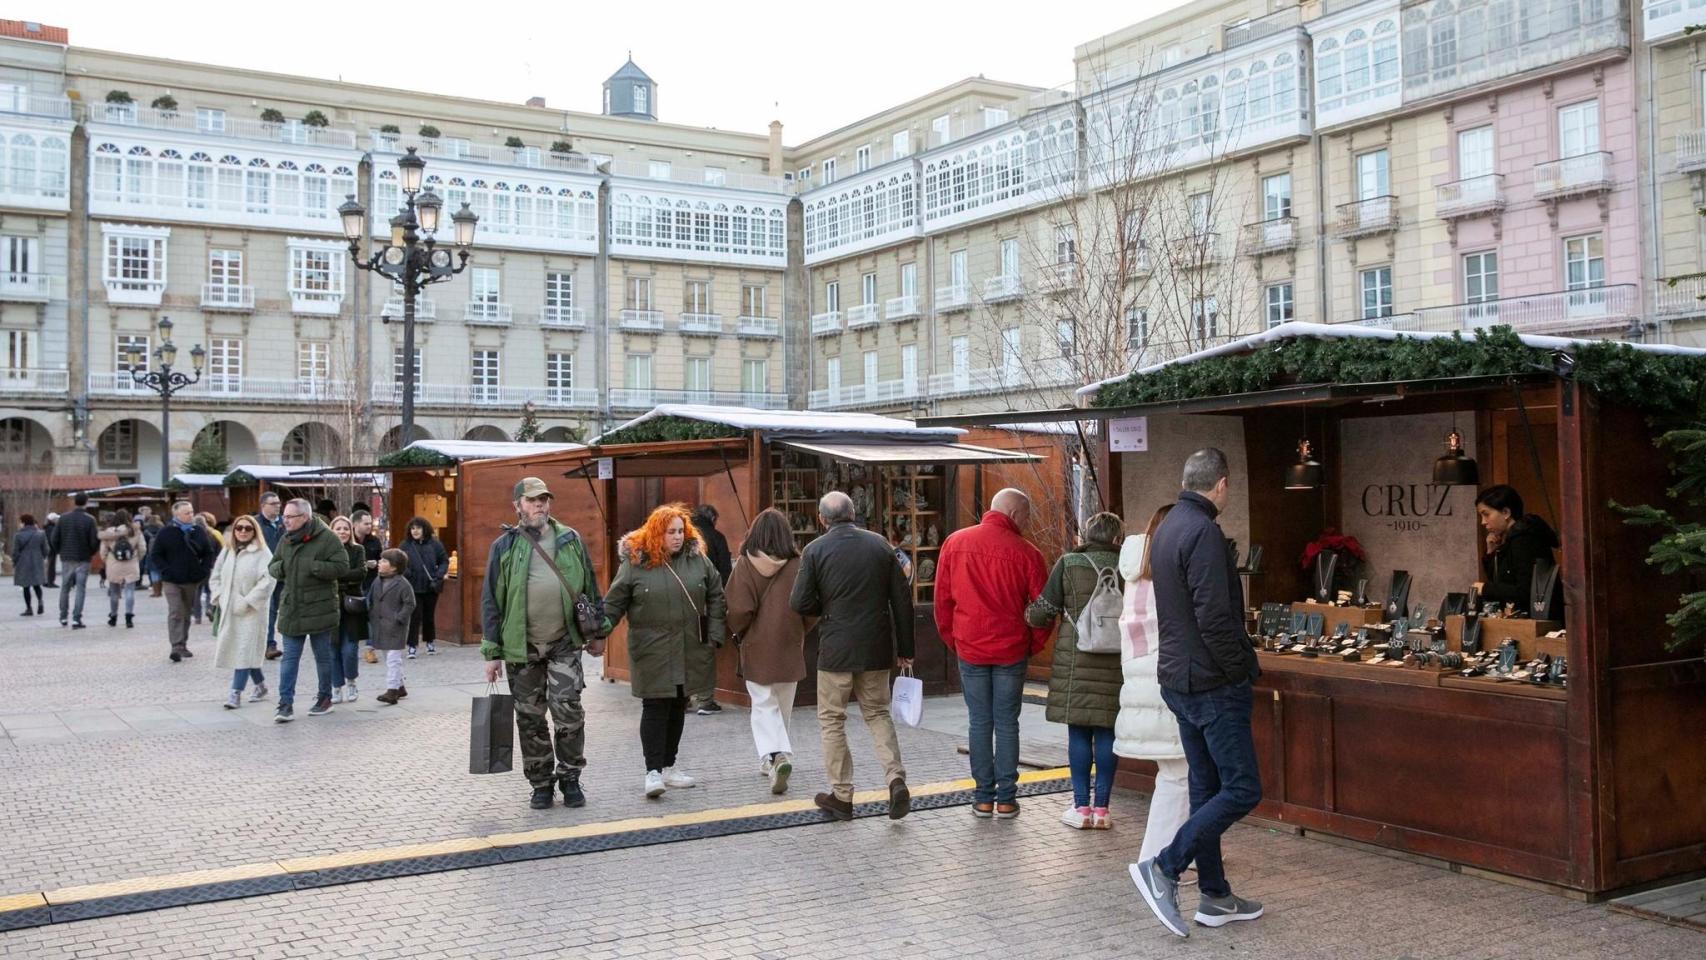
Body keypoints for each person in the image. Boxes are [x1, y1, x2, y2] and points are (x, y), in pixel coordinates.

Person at [1131, 448, 1264, 939]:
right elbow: (1214, 617)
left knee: (1206, 789)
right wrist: (1240, 670)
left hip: (1180, 680)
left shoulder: (1167, 527)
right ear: (1222, 484)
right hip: (1212, 683)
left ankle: (1215, 896)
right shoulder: (1204, 532)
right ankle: (1164, 867)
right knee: (1243, 788)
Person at [789, 490, 914, 822]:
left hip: (835, 649)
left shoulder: (815, 550)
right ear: (854, 513)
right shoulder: (880, 546)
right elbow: (902, 601)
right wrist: (906, 650)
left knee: (832, 720)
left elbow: (799, 602)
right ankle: (895, 779)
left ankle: (842, 795)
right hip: (875, 647)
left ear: (821, 519)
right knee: (877, 714)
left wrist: (828, 610)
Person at [480, 478, 604, 810]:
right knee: (530, 719)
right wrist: (491, 653)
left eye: (544, 500)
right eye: (533, 500)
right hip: (521, 647)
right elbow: (491, 601)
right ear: (517, 505)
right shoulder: (504, 546)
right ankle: (541, 783)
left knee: (569, 712)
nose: (540, 505)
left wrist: (597, 635)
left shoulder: (570, 539)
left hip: (564, 642)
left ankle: (571, 778)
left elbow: (590, 588)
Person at [934, 488, 1049, 819]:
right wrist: (1032, 645)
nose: (1028, 523)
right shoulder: (1027, 553)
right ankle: (1006, 799)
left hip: (970, 646)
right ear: (1014, 515)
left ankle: (983, 797)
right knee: (1007, 722)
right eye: (1027, 516)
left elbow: (943, 602)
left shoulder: (954, 544)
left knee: (979, 721)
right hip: (1011, 648)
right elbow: (1042, 610)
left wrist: (955, 640)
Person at [602, 503, 726, 800]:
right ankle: (653, 771)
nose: (677, 537)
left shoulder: (698, 560)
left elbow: (716, 594)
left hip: (689, 646)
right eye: (670, 532)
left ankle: (669, 766)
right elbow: (614, 602)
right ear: (657, 533)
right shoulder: (635, 563)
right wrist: (597, 634)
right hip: (652, 648)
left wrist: (716, 634)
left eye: (681, 531)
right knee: (655, 707)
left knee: (678, 705)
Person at [1026, 510, 1126, 830]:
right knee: (1109, 732)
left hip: (1076, 661)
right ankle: (1103, 810)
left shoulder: (1069, 563)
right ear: (1116, 539)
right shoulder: (1128, 567)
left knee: (1079, 731)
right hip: (1118, 662)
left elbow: (1043, 611)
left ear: (1087, 535)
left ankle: (1081, 808)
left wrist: (1029, 616)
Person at [1114, 504, 1191, 879]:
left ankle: (1173, 856)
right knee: (1180, 777)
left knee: (1175, 776)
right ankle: (1159, 862)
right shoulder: (1169, 575)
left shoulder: (1135, 575)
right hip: (1167, 688)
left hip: (1139, 691)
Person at [724, 508, 815, 795]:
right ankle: (779, 756)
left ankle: (774, 757)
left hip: (756, 645)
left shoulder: (744, 565)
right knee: (782, 706)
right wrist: (799, 631)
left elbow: (738, 609)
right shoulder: (798, 564)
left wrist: (739, 632)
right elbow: (813, 606)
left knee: (763, 705)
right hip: (790, 643)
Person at [267, 498, 349, 722]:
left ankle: (325, 698)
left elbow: (342, 566)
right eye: (283, 516)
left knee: (322, 656)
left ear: (304, 517)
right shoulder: (285, 539)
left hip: (319, 608)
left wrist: (315, 567)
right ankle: (285, 704)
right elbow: (272, 565)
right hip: (292, 607)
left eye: (289, 517)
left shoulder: (328, 538)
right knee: (289, 658)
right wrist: (282, 568)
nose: (284, 521)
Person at [209, 514, 275, 708]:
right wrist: (220, 596)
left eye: (248, 528)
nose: (243, 531)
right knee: (243, 650)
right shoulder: (228, 551)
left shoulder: (263, 553)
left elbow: (268, 580)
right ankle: (261, 685)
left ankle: (235, 693)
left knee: (245, 649)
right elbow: (216, 575)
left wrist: (249, 601)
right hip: (229, 608)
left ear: (255, 531)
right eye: (239, 528)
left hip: (252, 612)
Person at [1475, 485, 1564, 617]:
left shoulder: (1524, 540)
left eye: (1486, 514)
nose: (1483, 522)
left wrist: (1485, 589)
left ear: (1506, 512)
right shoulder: (1509, 539)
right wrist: (1491, 552)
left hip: (1535, 620)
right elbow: (1500, 580)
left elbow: (1525, 591)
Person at [149, 500, 216, 662]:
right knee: (176, 610)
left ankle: (183, 643)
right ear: (177, 515)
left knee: (186, 612)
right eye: (187, 513)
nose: (191, 515)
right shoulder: (166, 532)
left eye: (192, 512)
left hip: (192, 579)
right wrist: (166, 570)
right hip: (171, 580)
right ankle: (176, 645)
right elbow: (156, 554)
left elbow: (208, 552)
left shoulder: (198, 531)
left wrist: (203, 570)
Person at [687, 504, 732, 715]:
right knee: (704, 651)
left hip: (685, 603)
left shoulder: (684, 538)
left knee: (683, 650)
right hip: (706, 604)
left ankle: (683, 698)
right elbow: (725, 571)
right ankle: (704, 700)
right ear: (713, 518)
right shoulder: (716, 537)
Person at [328, 516, 369, 703]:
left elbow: (361, 573)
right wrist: (344, 576)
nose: (343, 532)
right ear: (332, 530)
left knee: (350, 649)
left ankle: (351, 681)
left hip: (352, 606)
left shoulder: (358, 550)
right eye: (338, 528)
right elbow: (324, 574)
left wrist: (338, 575)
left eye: (345, 528)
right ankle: (336, 687)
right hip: (330, 605)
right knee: (332, 649)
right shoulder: (325, 551)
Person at [371, 549, 417, 705]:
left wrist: (400, 617)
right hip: (381, 626)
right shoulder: (377, 580)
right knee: (388, 657)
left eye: (384, 561)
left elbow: (410, 603)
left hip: (396, 627)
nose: (379, 563)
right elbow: (372, 598)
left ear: (394, 567)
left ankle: (392, 691)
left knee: (393, 659)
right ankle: (400, 687)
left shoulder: (402, 583)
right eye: (380, 560)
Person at [48, 493, 100, 628]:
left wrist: (60, 551)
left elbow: (54, 538)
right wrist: (90, 552)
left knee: (65, 587)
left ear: (74, 502)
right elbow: (94, 541)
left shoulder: (63, 518)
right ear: (86, 502)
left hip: (66, 557)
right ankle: (77, 618)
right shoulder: (90, 520)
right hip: (83, 557)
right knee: (80, 588)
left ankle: (63, 616)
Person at [401, 516, 449, 659]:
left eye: (418, 528)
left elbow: (444, 561)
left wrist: (438, 575)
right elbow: (399, 562)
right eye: (413, 528)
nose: (415, 531)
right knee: (414, 616)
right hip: (413, 586)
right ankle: (411, 646)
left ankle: (430, 641)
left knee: (429, 616)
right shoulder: (405, 545)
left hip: (430, 586)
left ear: (425, 529)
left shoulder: (435, 544)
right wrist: (408, 573)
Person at [98, 509, 147, 628]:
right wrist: (137, 559)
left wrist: (108, 561)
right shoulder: (135, 530)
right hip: (131, 563)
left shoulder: (108, 532)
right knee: (130, 591)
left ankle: (113, 616)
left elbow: (103, 551)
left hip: (113, 564)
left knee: (114, 593)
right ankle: (129, 617)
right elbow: (142, 548)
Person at [255, 492, 286, 659]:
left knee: (286, 610)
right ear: (263, 506)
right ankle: (268, 644)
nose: (277, 506)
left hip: (285, 574)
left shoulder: (285, 523)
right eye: (273, 503)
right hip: (265, 575)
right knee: (270, 610)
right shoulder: (255, 524)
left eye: (278, 503)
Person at [353, 510, 383, 663]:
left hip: (370, 583)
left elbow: (381, 559)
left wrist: (377, 564)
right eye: (366, 523)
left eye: (370, 523)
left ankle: (370, 649)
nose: (369, 526)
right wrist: (364, 564)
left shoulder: (374, 541)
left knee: (371, 615)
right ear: (356, 524)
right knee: (353, 617)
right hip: (351, 585)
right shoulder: (348, 539)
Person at [10, 514, 48, 616]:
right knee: (37, 584)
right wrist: (42, 557)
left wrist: (14, 561)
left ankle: (29, 608)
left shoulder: (18, 535)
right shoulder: (41, 534)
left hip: (23, 563)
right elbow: (46, 550)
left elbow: (15, 551)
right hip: (37, 561)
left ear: (23, 522)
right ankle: (40, 601)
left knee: (25, 586)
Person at [190, 512, 223, 625]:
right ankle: (210, 608)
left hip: (196, 567)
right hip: (211, 567)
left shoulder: (191, 534)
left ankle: (197, 616)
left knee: (197, 592)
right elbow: (220, 550)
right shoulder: (213, 534)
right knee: (210, 590)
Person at [41, 512, 58, 588]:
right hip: (51, 549)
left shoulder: (46, 528)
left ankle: (46, 581)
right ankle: (50, 581)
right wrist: (56, 548)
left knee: (47, 565)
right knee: (51, 566)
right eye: (56, 519)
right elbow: (52, 539)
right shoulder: (52, 528)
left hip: (47, 549)